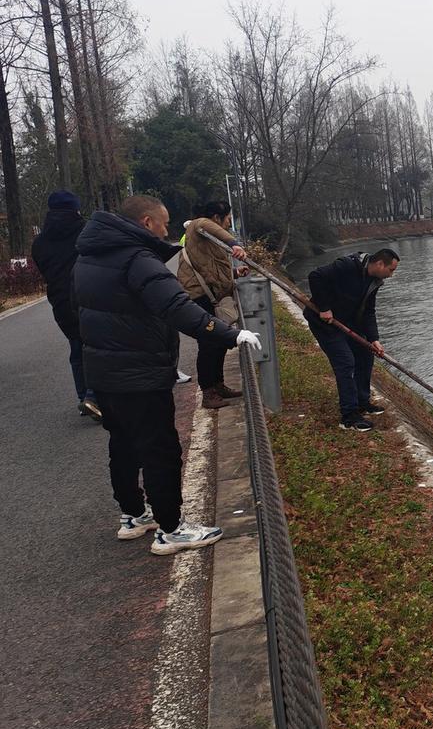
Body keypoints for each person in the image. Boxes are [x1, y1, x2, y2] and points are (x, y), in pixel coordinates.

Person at [75, 194, 262, 555]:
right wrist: (231, 333)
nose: (168, 230)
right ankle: (171, 529)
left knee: (123, 443)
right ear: (146, 223)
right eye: (163, 222)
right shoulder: (138, 258)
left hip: (101, 369)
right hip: (140, 370)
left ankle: (133, 515)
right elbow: (177, 307)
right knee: (160, 449)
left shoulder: (87, 258)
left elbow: (73, 312)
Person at [303, 248, 398, 432]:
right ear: (380, 264)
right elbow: (315, 276)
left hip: (346, 322)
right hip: (324, 323)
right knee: (346, 362)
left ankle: (363, 402)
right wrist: (324, 307)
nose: (391, 275)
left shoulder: (374, 282)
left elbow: (369, 312)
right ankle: (349, 417)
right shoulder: (346, 266)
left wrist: (374, 339)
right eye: (391, 270)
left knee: (365, 354)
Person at [30, 190, 99, 420]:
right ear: (75, 208)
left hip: (60, 300)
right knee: (98, 345)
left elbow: (44, 269)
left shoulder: (39, 242)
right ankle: (93, 396)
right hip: (88, 294)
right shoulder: (87, 230)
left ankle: (83, 397)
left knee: (76, 348)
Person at [177, 201, 249, 409]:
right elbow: (211, 228)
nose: (228, 223)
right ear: (217, 217)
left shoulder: (207, 240)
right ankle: (208, 392)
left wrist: (234, 273)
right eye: (227, 218)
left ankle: (218, 385)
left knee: (218, 342)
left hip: (210, 295)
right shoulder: (199, 224)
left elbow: (210, 269)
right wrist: (236, 244)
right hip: (199, 296)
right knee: (208, 344)